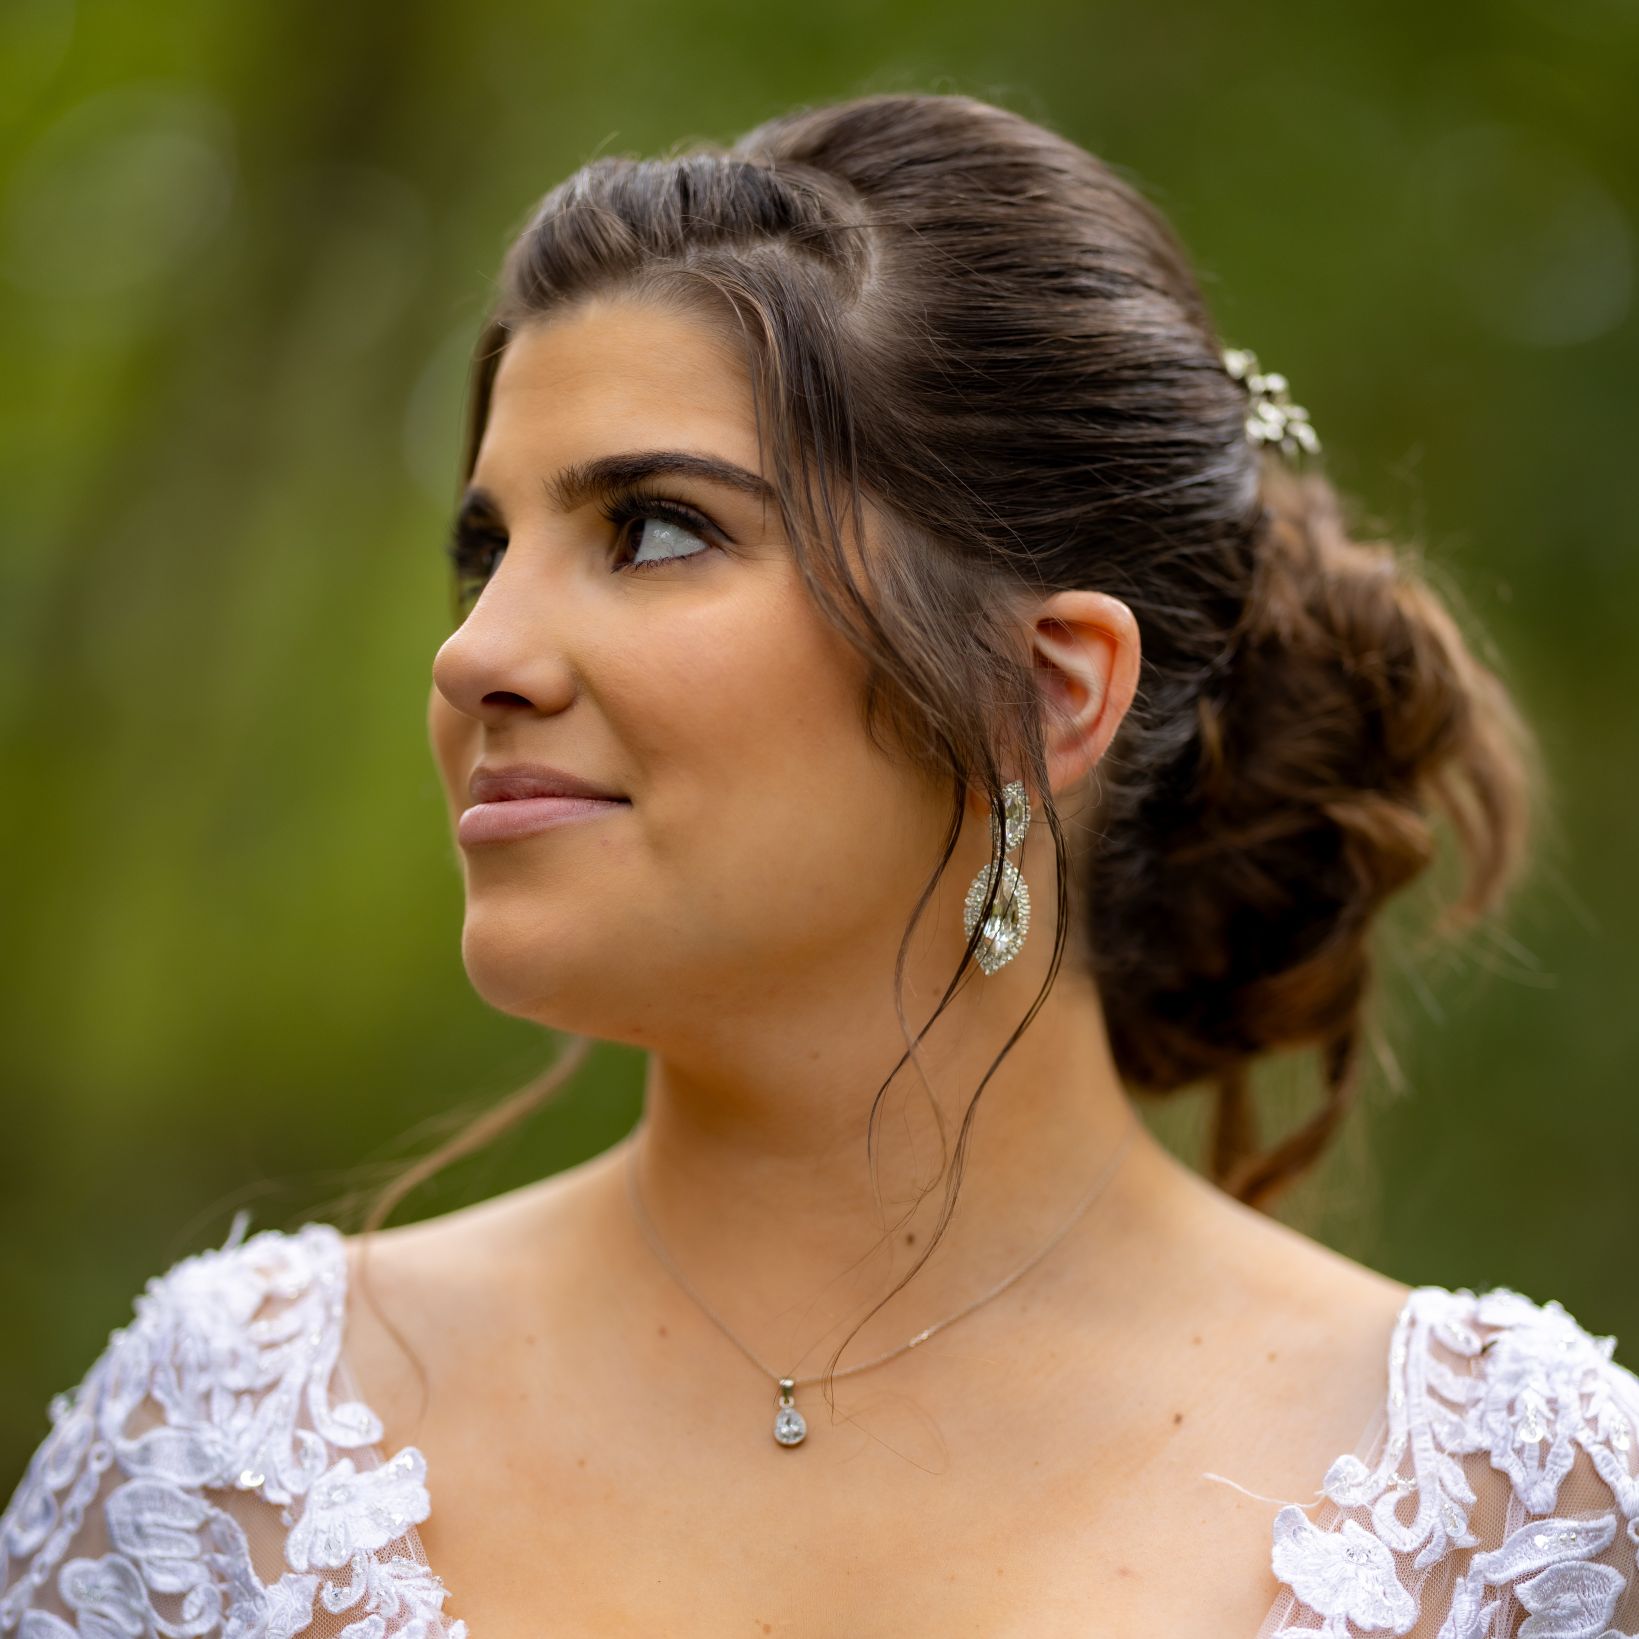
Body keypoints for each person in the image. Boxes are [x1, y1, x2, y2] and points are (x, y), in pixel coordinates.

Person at [4, 90, 1636, 1639]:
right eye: (485, 550)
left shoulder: (1522, 1516)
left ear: (1048, 691)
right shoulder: (223, 1450)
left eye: (652, 528)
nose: (476, 655)